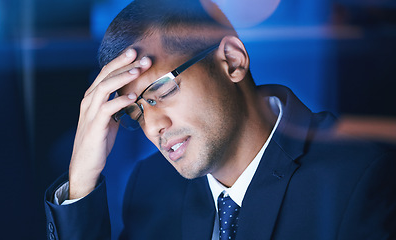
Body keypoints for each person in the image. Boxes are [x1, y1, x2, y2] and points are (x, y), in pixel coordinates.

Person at [43, 0, 396, 239]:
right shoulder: (151, 186)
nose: (153, 128)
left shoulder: (357, 177)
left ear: (231, 59)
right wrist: (81, 185)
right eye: (136, 112)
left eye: (163, 92)